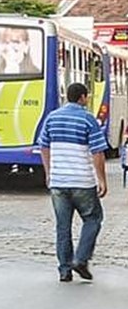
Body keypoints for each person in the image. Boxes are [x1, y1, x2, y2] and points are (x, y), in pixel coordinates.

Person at [37, 81, 108, 283]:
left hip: (59, 182)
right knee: (93, 219)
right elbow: (97, 152)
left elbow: (43, 146)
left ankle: (64, 270)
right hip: (82, 182)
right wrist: (101, 179)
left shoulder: (52, 118)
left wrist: (49, 172)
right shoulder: (88, 119)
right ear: (83, 98)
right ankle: (81, 258)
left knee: (63, 226)